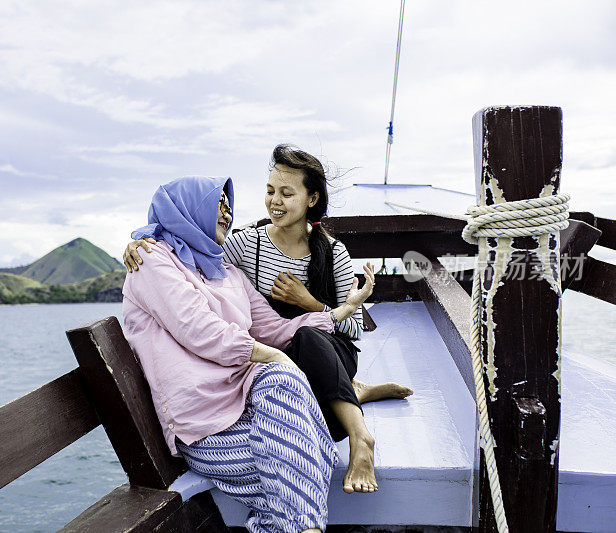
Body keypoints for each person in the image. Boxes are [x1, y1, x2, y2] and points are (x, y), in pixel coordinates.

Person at [124, 145, 413, 495]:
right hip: (279, 352)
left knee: (307, 343)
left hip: (325, 352)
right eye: (270, 191)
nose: (275, 201)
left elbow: (352, 330)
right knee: (301, 412)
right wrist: (143, 240)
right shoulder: (248, 245)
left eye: (287, 193)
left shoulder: (333, 251)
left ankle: (360, 435)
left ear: (311, 199)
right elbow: (200, 257)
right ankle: (352, 394)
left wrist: (313, 304)